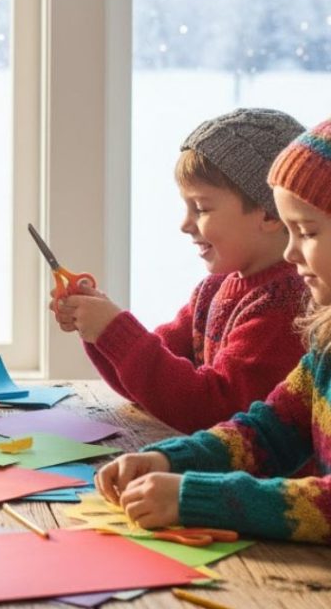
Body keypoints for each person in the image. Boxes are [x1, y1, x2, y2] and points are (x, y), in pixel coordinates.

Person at [97, 115, 331, 543]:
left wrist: (197, 497)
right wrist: (171, 462)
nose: (292, 251)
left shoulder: (285, 304)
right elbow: (266, 431)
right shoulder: (325, 347)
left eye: (307, 232)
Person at [53, 108, 308, 432]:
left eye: (201, 208)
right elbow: (151, 388)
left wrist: (113, 329)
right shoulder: (213, 290)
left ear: (270, 214)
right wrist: (99, 327)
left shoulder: (287, 307)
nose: (185, 225)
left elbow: (210, 410)